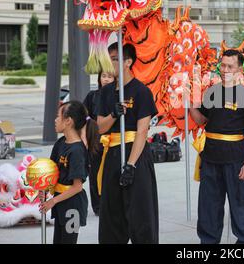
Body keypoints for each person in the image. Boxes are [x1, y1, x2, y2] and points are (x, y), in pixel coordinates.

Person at [190, 49, 244, 244]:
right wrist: (190, 104)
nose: (225, 69)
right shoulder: (211, 92)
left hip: (236, 160)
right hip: (210, 158)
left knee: (241, 206)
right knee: (208, 207)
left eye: (230, 66)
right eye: (223, 65)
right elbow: (201, 120)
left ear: (239, 69)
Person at [97, 43, 159, 244]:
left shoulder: (141, 91)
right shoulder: (105, 92)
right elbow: (100, 127)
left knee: (140, 213)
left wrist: (131, 165)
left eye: (115, 58)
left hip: (136, 156)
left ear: (128, 62)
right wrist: (114, 114)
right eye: (109, 58)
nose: (110, 62)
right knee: (111, 213)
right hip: (112, 154)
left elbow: (142, 131)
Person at [40, 100, 99, 244]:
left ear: (68, 121)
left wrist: (52, 201)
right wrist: (44, 188)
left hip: (72, 206)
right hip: (60, 202)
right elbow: (52, 171)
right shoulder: (60, 143)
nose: (55, 120)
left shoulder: (77, 151)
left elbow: (77, 186)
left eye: (58, 116)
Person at [83, 71, 115, 215]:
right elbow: (83, 115)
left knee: (111, 173)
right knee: (95, 174)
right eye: (104, 76)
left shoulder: (118, 95)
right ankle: (98, 207)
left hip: (113, 139)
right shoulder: (92, 96)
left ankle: (113, 204)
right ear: (99, 78)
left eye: (110, 76)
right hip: (96, 141)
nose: (106, 79)